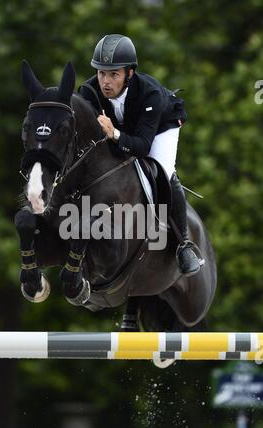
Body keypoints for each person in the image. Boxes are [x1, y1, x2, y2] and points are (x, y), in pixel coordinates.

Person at [79, 34, 200, 276]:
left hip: (160, 128)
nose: (105, 82)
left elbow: (142, 147)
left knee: (162, 171)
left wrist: (114, 134)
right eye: (101, 73)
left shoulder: (150, 93)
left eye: (114, 74)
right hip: (122, 130)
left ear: (129, 73)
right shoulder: (88, 91)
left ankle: (183, 243)